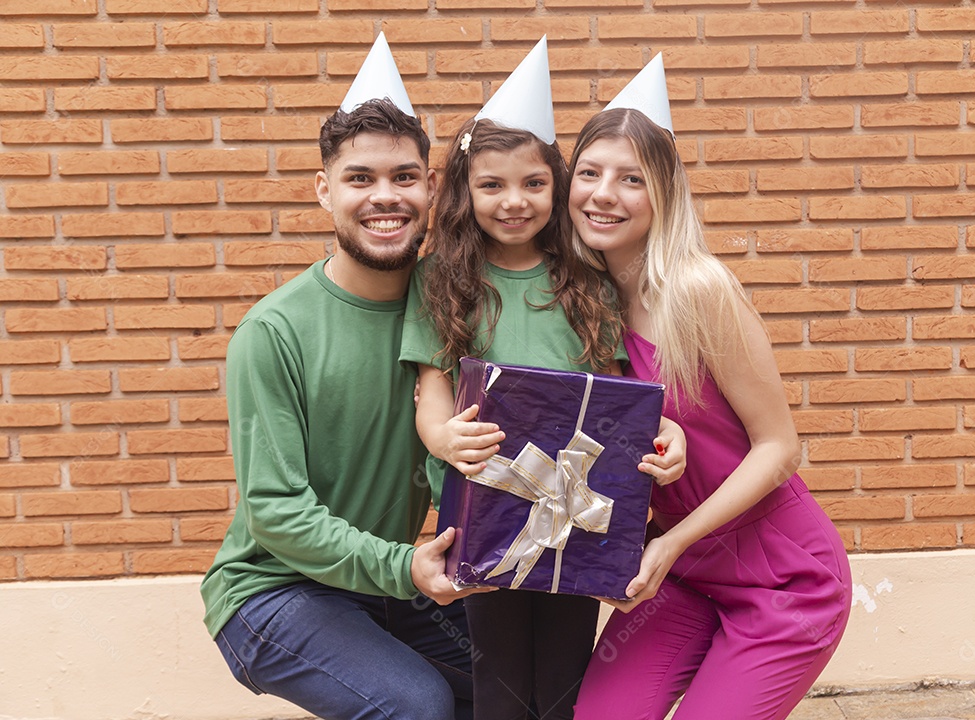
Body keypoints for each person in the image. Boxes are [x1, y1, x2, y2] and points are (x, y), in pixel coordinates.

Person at [398, 39, 685, 720]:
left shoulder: (584, 278)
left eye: (533, 183)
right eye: (492, 185)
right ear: (466, 191)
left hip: (575, 503)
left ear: (555, 187)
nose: (513, 201)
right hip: (482, 496)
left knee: (564, 669)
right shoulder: (442, 280)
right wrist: (443, 440)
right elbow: (431, 390)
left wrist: (658, 435)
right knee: (494, 667)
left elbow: (618, 389)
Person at [199, 35, 483, 720]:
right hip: (273, 592)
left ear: (431, 187)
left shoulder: (450, 303)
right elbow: (276, 514)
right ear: (325, 190)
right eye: (360, 178)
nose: (385, 196)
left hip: (385, 583)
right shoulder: (276, 333)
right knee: (416, 706)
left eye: (404, 177)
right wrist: (401, 567)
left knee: (526, 685)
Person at [569, 56, 853, 720]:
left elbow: (778, 446)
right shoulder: (589, 304)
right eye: (589, 173)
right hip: (687, 572)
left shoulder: (699, 291)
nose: (604, 194)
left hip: (786, 578)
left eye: (630, 179)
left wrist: (667, 543)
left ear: (663, 193)